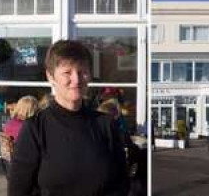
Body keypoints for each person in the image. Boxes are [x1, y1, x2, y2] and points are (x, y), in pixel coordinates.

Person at [8, 40, 130, 196]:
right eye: (67, 72)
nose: (77, 79)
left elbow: (121, 184)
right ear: (50, 76)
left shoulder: (106, 125)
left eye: (82, 71)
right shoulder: (35, 129)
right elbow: (18, 190)